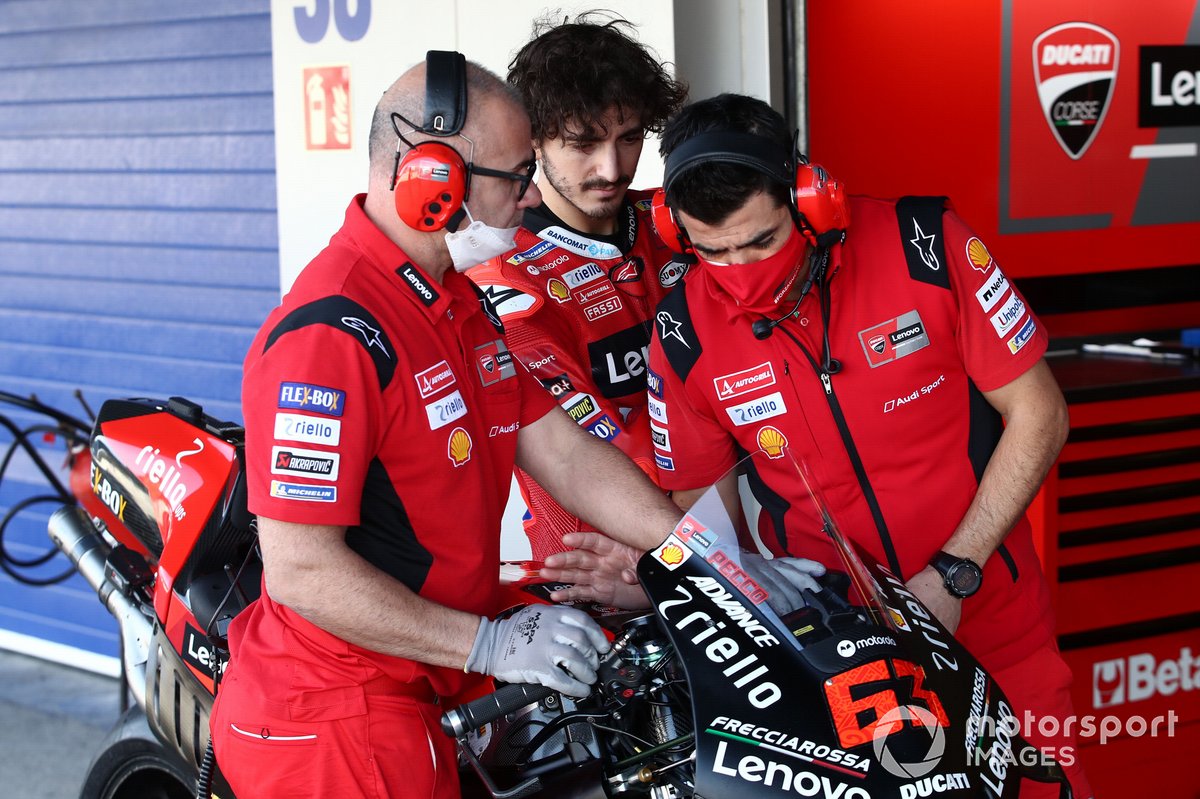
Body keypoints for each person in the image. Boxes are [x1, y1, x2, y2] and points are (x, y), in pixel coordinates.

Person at [549, 93, 1092, 799]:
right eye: (713, 252)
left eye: (762, 240)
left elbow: (1041, 413)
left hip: (993, 625)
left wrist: (956, 572)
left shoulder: (924, 245)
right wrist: (667, 578)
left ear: (811, 199)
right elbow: (702, 512)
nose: (741, 273)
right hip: (834, 663)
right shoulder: (681, 334)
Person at [207, 52, 695, 799]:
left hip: (434, 682)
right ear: (433, 182)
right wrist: (488, 641)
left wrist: (697, 557)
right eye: (516, 175)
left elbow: (565, 453)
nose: (531, 194)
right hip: (339, 716)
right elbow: (301, 569)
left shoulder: (455, 301)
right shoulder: (331, 333)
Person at [469, 14, 688, 560]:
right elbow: (585, 454)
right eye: (583, 143)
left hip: (714, 535)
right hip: (592, 568)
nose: (611, 168)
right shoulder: (506, 277)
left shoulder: (680, 223)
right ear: (534, 141)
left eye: (630, 137)